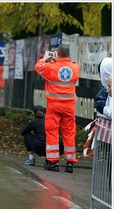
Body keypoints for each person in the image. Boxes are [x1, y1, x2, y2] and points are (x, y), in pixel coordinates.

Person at [34, 44, 79, 173]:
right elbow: (68, 69)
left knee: (52, 132)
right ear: (69, 55)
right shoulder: (75, 68)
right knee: (69, 133)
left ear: (57, 54)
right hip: (69, 106)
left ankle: (53, 163)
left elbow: (38, 67)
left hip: (54, 105)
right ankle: (70, 162)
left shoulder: (51, 68)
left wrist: (45, 58)